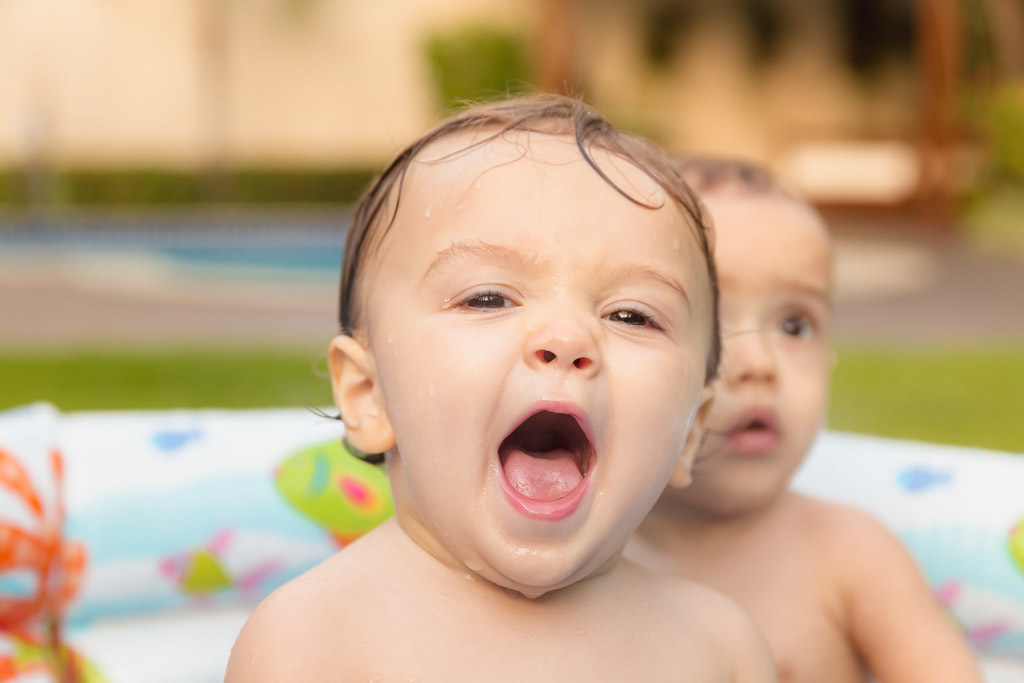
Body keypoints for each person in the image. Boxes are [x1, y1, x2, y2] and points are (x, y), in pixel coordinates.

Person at [225, 97, 775, 681]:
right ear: (367, 395)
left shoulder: (719, 651)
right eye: (487, 298)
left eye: (633, 315)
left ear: (689, 428)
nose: (567, 338)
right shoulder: (314, 643)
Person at [626, 157, 981, 683]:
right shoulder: (566, 560)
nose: (761, 364)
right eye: (712, 318)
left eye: (795, 325)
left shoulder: (850, 557)